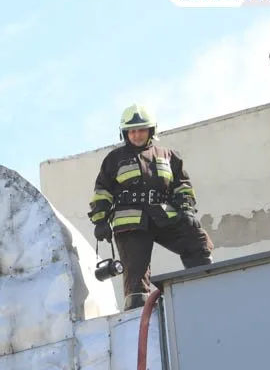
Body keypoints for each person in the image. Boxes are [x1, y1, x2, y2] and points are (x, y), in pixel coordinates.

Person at [88, 104, 213, 309]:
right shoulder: (114, 159)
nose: (136, 135)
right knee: (136, 274)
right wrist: (100, 220)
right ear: (125, 133)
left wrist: (186, 209)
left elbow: (182, 185)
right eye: (132, 131)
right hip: (131, 222)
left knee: (197, 240)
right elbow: (102, 191)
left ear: (151, 131)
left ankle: (204, 288)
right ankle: (139, 316)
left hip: (163, 214)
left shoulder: (169, 155)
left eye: (141, 130)